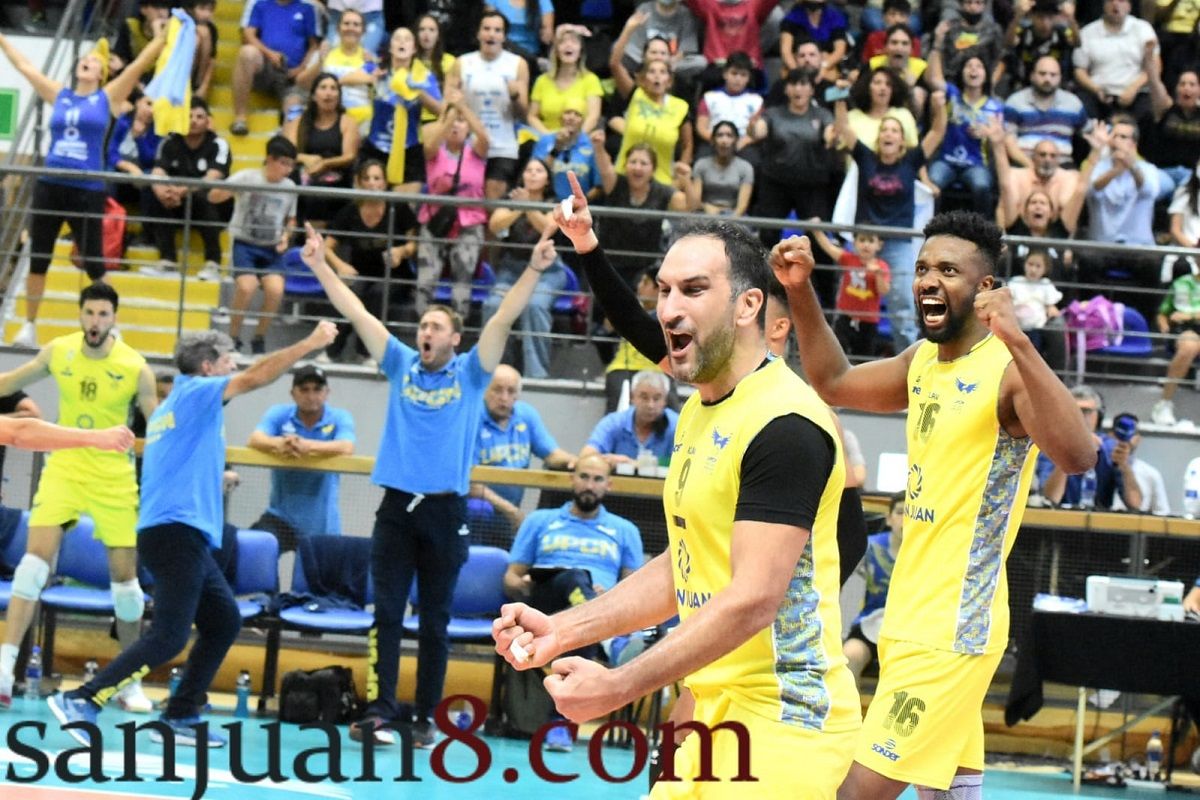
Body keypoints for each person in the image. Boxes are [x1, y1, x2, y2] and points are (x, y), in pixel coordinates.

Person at [496, 182, 862, 797]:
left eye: (693, 290)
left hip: (784, 723)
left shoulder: (786, 424)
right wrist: (564, 629)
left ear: (748, 306)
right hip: (711, 716)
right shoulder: (697, 410)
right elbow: (682, 568)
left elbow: (752, 599)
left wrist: (619, 685)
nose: (667, 309)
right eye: (664, 290)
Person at [770, 209, 1096, 799]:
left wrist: (1019, 338)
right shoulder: (922, 360)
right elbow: (833, 381)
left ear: (986, 288)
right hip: (907, 616)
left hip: (955, 627)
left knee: (851, 794)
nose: (928, 279)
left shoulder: (1008, 372)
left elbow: (1078, 456)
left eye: (948, 270)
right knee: (947, 793)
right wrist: (800, 290)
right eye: (923, 268)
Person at [299, 216, 549, 748]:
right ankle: (380, 711)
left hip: (445, 511)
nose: (426, 333)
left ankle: (426, 719)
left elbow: (502, 317)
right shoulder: (401, 363)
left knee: (435, 621)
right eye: (423, 326)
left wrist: (531, 269)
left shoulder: (472, 373)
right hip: (396, 509)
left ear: (455, 338)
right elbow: (357, 311)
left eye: (436, 327)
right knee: (387, 615)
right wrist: (320, 265)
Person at [47, 322, 338, 747]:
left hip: (180, 534)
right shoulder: (199, 392)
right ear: (207, 367)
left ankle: (181, 714)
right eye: (227, 361)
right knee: (169, 636)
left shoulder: (176, 405)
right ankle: (82, 698)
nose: (233, 367)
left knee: (223, 620)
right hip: (175, 533)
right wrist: (310, 343)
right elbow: (256, 377)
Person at [0, 284, 158, 712]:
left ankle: (129, 682)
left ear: (114, 318)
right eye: (89, 313)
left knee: (126, 585)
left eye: (103, 314)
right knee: (32, 567)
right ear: (80, 314)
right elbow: (10, 382)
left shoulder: (135, 367)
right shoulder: (59, 351)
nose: (95, 321)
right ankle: (4, 670)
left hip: (113, 475)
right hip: (65, 467)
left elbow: (158, 423)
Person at [0, 28, 165, 347]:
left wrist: (161, 38)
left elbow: (138, 65)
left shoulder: (107, 97)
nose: (86, 62)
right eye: (83, 59)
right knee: (39, 258)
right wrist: (3, 39)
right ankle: (29, 326)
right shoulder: (60, 95)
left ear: (102, 73)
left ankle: (112, 324)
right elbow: (25, 67)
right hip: (50, 185)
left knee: (94, 263)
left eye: (94, 61)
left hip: (87, 189)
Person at [502, 453, 643, 753]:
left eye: (597, 479)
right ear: (571, 479)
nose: (589, 485)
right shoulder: (541, 521)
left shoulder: (625, 530)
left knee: (581, 587)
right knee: (575, 577)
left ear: (609, 485)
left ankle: (560, 724)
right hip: (545, 601)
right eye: (584, 477)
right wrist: (524, 583)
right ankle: (613, 643)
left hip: (597, 605)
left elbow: (634, 589)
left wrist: (609, 595)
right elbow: (510, 578)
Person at [832, 83, 947, 351]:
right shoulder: (865, 157)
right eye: (885, 129)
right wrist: (839, 97)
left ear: (902, 140)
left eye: (895, 130)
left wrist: (939, 107)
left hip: (898, 243)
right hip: (865, 241)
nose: (889, 133)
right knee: (851, 302)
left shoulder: (911, 161)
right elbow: (844, 127)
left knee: (902, 307)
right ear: (878, 136)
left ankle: (909, 362)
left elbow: (937, 132)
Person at [247, 365, 355, 554]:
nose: (311, 396)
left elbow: (347, 447)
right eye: (304, 390)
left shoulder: (339, 417)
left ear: (327, 393)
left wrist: (306, 446)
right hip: (281, 518)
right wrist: (280, 443)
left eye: (317, 389)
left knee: (316, 572)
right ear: (293, 393)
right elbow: (255, 439)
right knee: (253, 550)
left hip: (321, 524)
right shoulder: (280, 414)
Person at [320, 159, 419, 364]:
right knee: (349, 294)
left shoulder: (398, 208)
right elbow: (326, 247)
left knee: (377, 294)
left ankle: (367, 352)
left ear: (385, 182)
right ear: (359, 182)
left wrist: (401, 251)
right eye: (367, 178)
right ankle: (331, 351)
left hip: (395, 275)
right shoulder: (350, 211)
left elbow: (414, 244)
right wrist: (340, 265)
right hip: (360, 273)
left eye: (377, 178)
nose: (372, 183)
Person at [208, 135, 299, 356]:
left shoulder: (290, 186)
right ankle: (233, 338)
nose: (287, 170)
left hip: (272, 247)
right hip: (245, 244)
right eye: (284, 163)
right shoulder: (247, 177)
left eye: (291, 165)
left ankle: (259, 338)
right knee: (246, 287)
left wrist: (286, 237)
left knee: (276, 290)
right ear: (270, 159)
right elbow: (213, 196)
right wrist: (229, 190)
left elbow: (291, 220)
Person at [482, 157, 570, 378]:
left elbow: (548, 227)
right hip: (512, 270)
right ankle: (495, 369)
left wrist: (526, 205)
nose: (532, 174)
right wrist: (520, 206)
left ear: (547, 179)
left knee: (534, 306)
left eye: (538, 171)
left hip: (547, 271)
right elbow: (495, 224)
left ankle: (536, 374)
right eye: (528, 170)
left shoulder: (558, 202)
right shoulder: (511, 199)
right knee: (493, 305)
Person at [414, 88, 490, 317]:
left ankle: (457, 327)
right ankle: (424, 325)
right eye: (452, 122)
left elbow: (484, 137)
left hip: (469, 222)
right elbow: (430, 145)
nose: (456, 125)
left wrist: (462, 107)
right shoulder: (434, 152)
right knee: (426, 279)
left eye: (461, 122)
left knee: (462, 279)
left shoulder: (476, 151)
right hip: (435, 220)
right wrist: (450, 115)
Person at [472, 365, 576, 531]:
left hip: (511, 512)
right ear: (484, 390)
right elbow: (469, 483)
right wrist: (511, 511)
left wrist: (577, 461)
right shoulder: (471, 418)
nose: (504, 398)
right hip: (477, 512)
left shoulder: (526, 415)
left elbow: (552, 455)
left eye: (511, 391)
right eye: (497, 390)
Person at [142, 98, 231, 280]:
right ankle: (167, 261)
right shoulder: (169, 141)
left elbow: (213, 177)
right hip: (177, 203)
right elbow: (158, 171)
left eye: (199, 117)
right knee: (155, 195)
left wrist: (183, 190)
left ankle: (213, 263)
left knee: (203, 196)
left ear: (208, 121)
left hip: (212, 207)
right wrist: (161, 190)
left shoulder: (219, 144)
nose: (193, 121)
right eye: (189, 116)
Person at [446, 10, 530, 200]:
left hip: (503, 145)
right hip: (467, 143)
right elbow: (447, 104)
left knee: (493, 202)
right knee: (467, 199)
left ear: (504, 36)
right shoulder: (462, 63)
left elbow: (524, 114)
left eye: (497, 30)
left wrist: (515, 95)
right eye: (486, 29)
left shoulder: (518, 64)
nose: (491, 34)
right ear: (478, 33)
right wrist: (454, 101)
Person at [751, 68, 837, 250]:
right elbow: (759, 132)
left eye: (803, 84)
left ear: (811, 89)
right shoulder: (773, 113)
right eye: (793, 84)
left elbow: (830, 135)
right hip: (776, 182)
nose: (798, 89)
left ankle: (818, 270)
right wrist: (753, 125)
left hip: (812, 183)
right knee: (768, 234)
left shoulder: (822, 114)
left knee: (817, 236)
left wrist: (833, 136)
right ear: (786, 89)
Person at [1038, 384, 1142, 511]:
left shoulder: (1111, 447)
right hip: (1059, 518)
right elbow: (1051, 498)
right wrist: (1068, 454)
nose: (1080, 417)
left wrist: (1124, 466)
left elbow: (1135, 503)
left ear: (1099, 416)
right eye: (1073, 410)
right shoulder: (1051, 447)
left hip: (1099, 520)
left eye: (1086, 411)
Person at [282, 72, 362, 227]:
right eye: (323, 88)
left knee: (318, 195)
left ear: (339, 96)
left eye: (333, 88)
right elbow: (287, 151)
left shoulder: (347, 122)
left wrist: (324, 164)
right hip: (304, 174)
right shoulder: (299, 122)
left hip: (337, 176)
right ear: (313, 95)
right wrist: (306, 158)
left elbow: (349, 155)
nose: (328, 93)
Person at [231, 0, 319, 136]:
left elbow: (314, 45)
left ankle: (286, 134)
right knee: (247, 52)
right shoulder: (259, 4)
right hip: (266, 68)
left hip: (293, 75)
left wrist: (302, 68)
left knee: (294, 107)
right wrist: (269, 53)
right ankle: (240, 118)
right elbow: (248, 34)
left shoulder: (308, 8)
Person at [843, 492, 903, 685]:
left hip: (909, 630)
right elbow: (843, 579)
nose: (905, 519)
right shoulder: (869, 546)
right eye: (900, 512)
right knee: (849, 655)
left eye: (911, 513)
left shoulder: (928, 551)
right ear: (889, 518)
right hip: (870, 623)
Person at [810, 225, 891, 358]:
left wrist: (878, 274)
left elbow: (884, 290)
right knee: (837, 353)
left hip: (868, 321)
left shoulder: (882, 266)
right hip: (845, 317)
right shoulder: (848, 259)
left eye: (871, 241)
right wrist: (817, 231)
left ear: (879, 245)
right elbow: (829, 247)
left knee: (864, 358)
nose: (866, 245)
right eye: (862, 240)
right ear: (854, 243)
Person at [611, 57, 693, 187]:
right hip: (625, 175)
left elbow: (687, 145)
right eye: (652, 71)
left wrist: (680, 175)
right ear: (644, 79)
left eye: (662, 72)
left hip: (662, 181)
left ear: (669, 81)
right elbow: (614, 64)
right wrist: (625, 41)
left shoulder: (681, 107)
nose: (657, 76)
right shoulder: (635, 95)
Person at [1072, 0, 1157, 123]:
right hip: (1098, 93)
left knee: (1148, 112)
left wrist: (1133, 89)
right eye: (1111, 1)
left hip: (1135, 93)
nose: (1115, 4)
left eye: (1121, 1)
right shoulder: (1087, 32)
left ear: (1129, 6)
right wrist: (1096, 89)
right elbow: (1079, 70)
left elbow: (1155, 65)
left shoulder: (1143, 29)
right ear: (1103, 5)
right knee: (1081, 106)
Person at [1002, 56, 1088, 166]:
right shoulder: (1015, 102)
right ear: (1032, 76)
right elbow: (1009, 144)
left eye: (1053, 75)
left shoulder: (1073, 104)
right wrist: (1032, 168)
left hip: (1062, 166)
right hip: (1024, 165)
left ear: (1060, 78)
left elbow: (1089, 134)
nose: (1047, 79)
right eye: (1042, 74)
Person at [581, 370, 678, 467]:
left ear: (665, 400)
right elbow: (586, 456)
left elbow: (681, 463)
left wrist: (633, 464)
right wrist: (605, 460)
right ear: (632, 397)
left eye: (657, 399)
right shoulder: (614, 422)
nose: (650, 405)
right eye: (644, 397)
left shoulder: (677, 425)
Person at [528, 26, 603, 138]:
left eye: (574, 42)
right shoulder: (542, 81)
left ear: (580, 52)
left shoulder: (591, 80)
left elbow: (593, 117)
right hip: (548, 138)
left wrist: (575, 138)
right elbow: (532, 116)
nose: (568, 45)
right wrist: (549, 136)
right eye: (562, 42)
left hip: (579, 140)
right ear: (556, 51)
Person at [1151, 259, 1200, 427]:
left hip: (1189, 319)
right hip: (1186, 329)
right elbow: (1164, 312)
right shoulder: (1181, 282)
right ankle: (1164, 403)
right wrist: (1164, 324)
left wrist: (1191, 315)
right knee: (1189, 346)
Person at [695, 52, 762, 153]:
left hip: (743, 145)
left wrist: (743, 142)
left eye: (743, 75)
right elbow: (701, 127)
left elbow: (759, 131)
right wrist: (718, 141)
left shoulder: (757, 101)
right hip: (714, 143)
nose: (738, 79)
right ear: (725, 74)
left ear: (748, 78)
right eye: (734, 73)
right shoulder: (709, 98)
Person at [1107, 413, 1170, 515]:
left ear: (1138, 439)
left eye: (1131, 433)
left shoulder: (1151, 474)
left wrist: (1124, 466)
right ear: (1110, 435)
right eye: (1120, 431)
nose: (1125, 438)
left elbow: (1162, 513)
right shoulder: (1095, 466)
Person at [691, 121, 753, 216]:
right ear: (713, 140)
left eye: (729, 136)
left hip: (734, 215)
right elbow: (696, 201)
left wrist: (729, 220)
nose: (724, 141)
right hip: (705, 213)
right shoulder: (701, 165)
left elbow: (742, 206)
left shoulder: (745, 168)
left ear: (736, 140)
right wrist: (707, 207)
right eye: (720, 135)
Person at [1007, 249, 1062, 353]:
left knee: (1032, 352)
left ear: (1045, 269)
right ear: (1024, 264)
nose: (1033, 269)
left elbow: (1051, 304)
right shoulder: (1016, 282)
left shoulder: (1045, 284)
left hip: (1036, 329)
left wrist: (1051, 307)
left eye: (1038, 266)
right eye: (1030, 264)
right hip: (1016, 328)